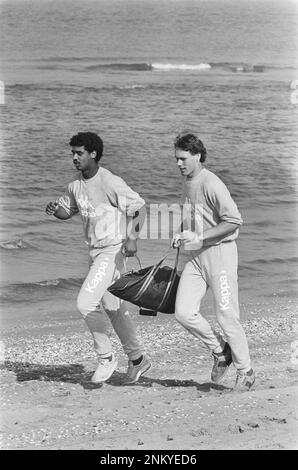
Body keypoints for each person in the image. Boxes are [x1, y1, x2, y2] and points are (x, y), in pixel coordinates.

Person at [46, 132, 151, 384]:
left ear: (93, 154)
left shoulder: (109, 182)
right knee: (114, 309)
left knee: (85, 303)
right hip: (94, 253)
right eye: (72, 152)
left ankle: (106, 357)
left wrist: (132, 238)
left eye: (78, 152)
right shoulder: (74, 185)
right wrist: (55, 210)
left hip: (112, 252)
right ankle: (138, 360)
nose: (74, 157)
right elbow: (68, 210)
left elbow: (140, 208)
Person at [172, 132, 255, 391]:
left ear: (197, 156)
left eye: (183, 158)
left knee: (227, 317)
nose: (178, 163)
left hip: (220, 256)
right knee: (183, 312)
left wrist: (198, 236)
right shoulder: (188, 181)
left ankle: (246, 371)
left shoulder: (212, 183)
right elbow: (195, 217)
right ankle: (221, 352)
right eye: (176, 159)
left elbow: (233, 221)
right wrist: (182, 233)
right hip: (196, 257)